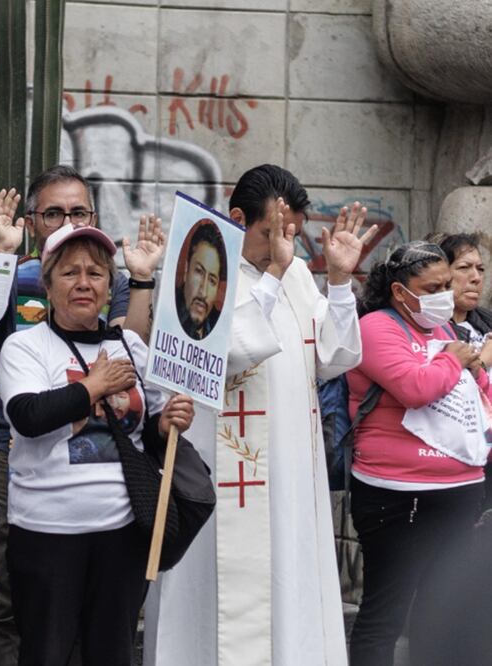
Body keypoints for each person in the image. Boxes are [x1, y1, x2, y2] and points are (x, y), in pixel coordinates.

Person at [145, 164, 376, 666]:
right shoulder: (199, 268)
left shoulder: (293, 272)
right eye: (274, 232)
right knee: (210, 599)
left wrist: (337, 281)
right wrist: (273, 273)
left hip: (289, 474)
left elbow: (334, 357)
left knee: (286, 588)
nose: (285, 244)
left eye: (292, 233)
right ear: (237, 219)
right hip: (216, 474)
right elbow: (230, 347)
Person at [0, 166, 165, 665]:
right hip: (46, 527)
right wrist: (94, 388)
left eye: (96, 274)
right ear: (47, 279)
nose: (84, 283)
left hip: (121, 531)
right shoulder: (25, 339)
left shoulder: (127, 340)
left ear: (110, 284)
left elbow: (154, 417)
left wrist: (171, 420)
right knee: (31, 635)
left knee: (111, 649)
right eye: (69, 273)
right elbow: (27, 413)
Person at [346, 241, 491, 665]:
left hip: (459, 492)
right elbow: (414, 388)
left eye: (447, 284)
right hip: (397, 496)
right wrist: (454, 361)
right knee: (385, 614)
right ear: (399, 291)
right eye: (432, 288)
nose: (445, 295)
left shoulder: (446, 331)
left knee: (442, 614)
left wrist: (474, 365)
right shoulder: (376, 328)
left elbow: (480, 392)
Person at [434, 232, 492, 508]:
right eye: (464, 267)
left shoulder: (487, 324)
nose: (476, 277)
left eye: (480, 269)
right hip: (449, 460)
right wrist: (483, 360)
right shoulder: (428, 328)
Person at [175, 221, 226, 340]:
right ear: (186, 270)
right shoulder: (165, 308)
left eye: (212, 281)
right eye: (199, 272)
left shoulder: (221, 330)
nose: (203, 292)